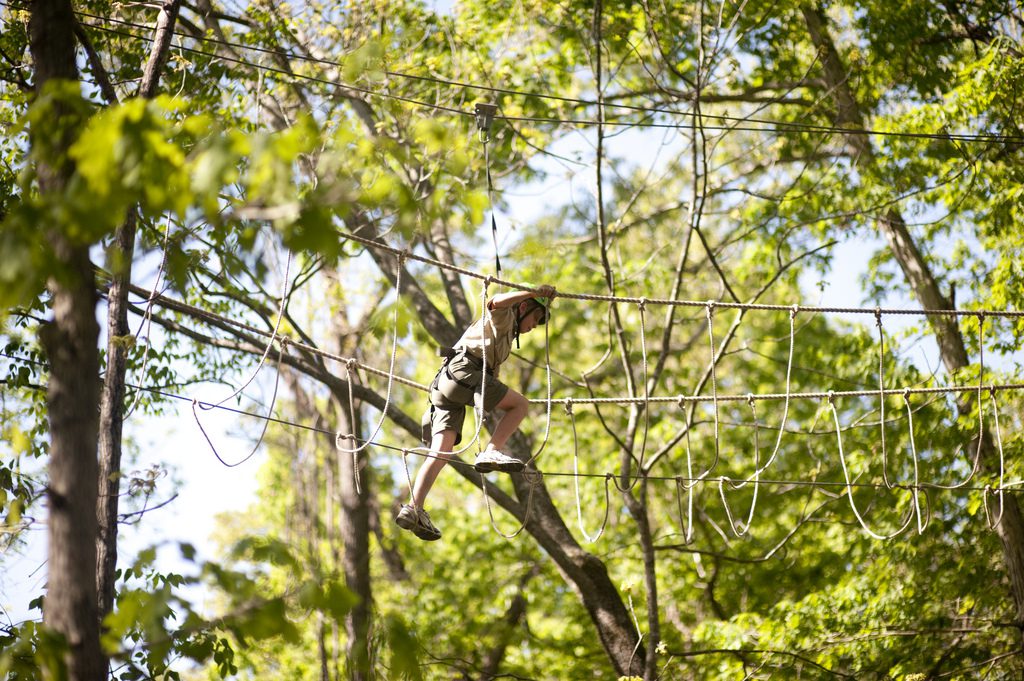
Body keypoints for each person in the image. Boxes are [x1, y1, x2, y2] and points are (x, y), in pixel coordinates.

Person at [396, 284, 557, 541]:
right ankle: (491, 450)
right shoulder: (505, 315)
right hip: (464, 372)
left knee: (441, 451)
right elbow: (496, 301)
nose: (534, 326)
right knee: (520, 406)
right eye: (536, 319)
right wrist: (532, 292)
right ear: (524, 308)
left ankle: (413, 507)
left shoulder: (504, 339)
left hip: (446, 385)